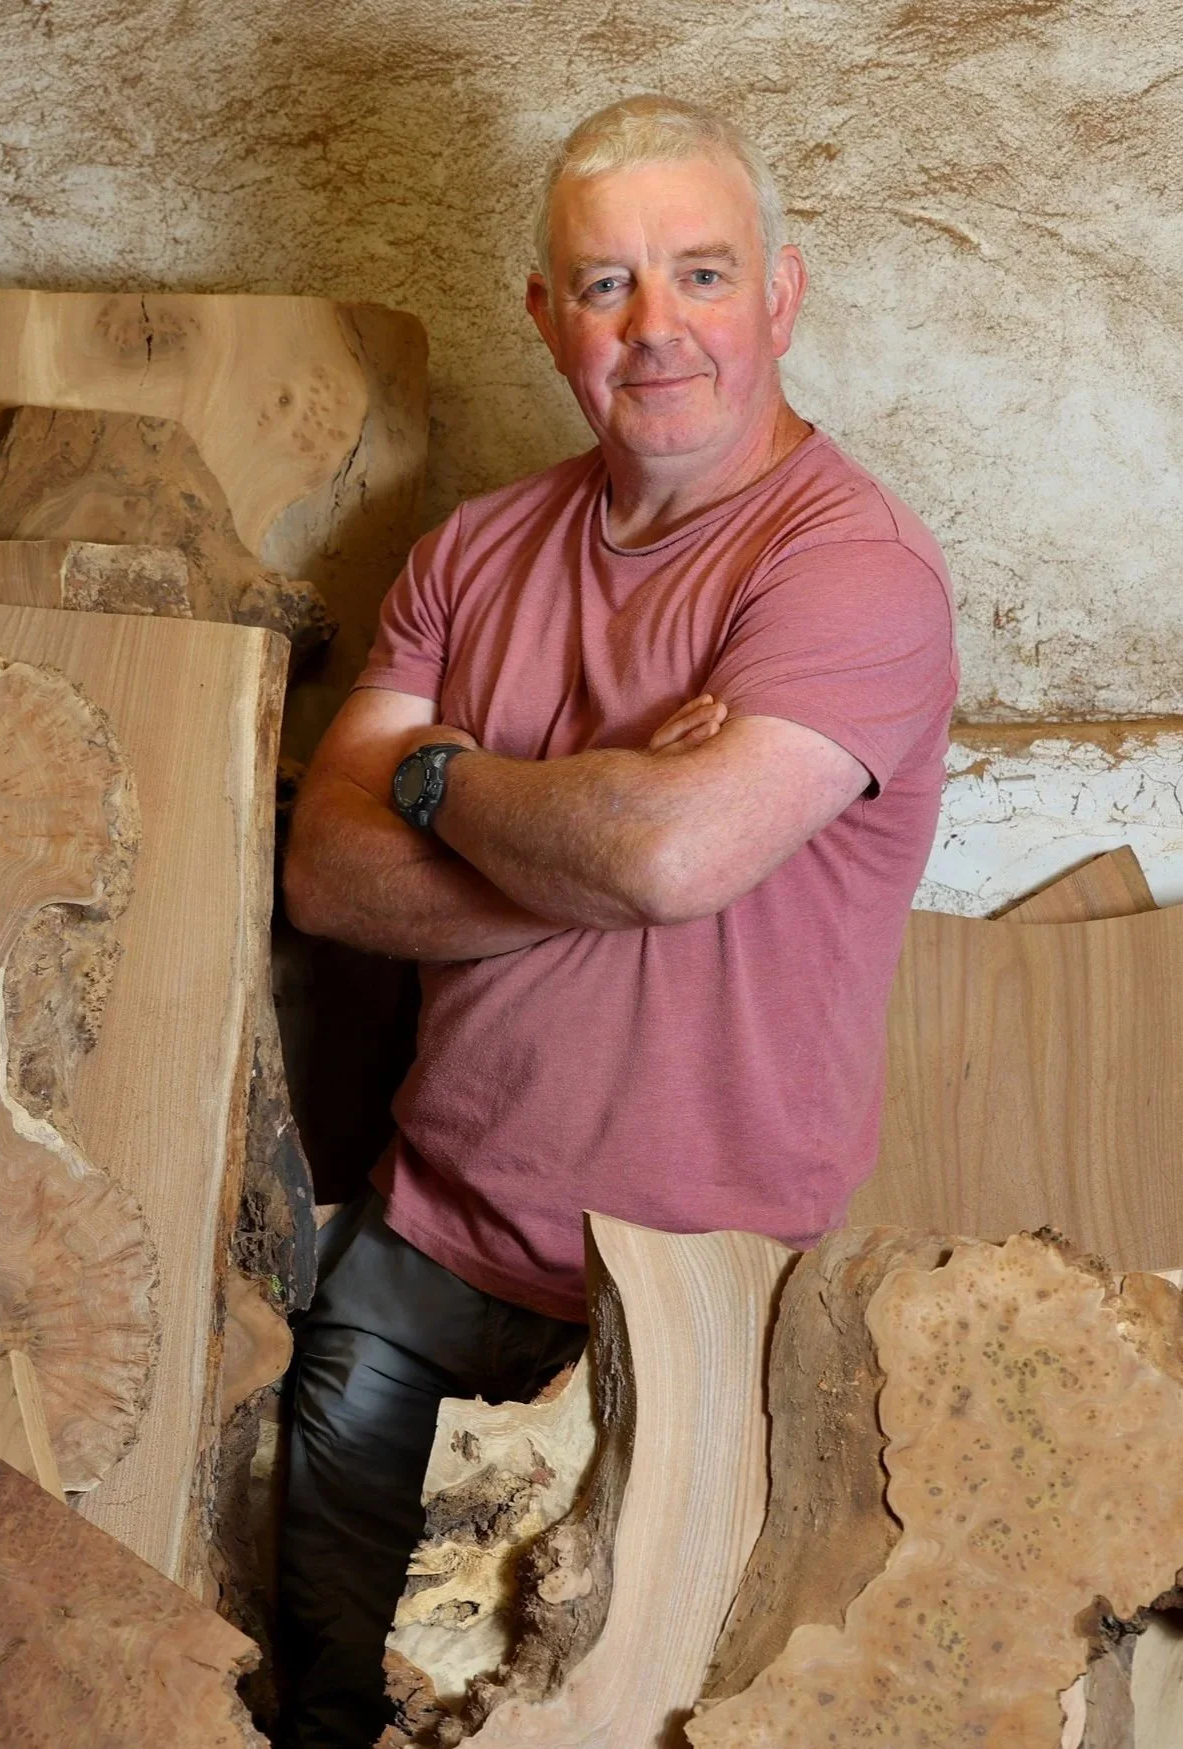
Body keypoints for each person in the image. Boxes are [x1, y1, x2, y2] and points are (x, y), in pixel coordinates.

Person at [273, 93, 959, 1748]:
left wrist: (443, 779)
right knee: (329, 1713)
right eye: (606, 287)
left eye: (702, 276)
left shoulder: (851, 571)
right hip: (415, 1281)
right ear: (545, 315)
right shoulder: (474, 554)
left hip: (687, 1329)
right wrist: (569, 823)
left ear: (781, 297)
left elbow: (663, 861)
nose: (657, 331)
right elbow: (325, 876)